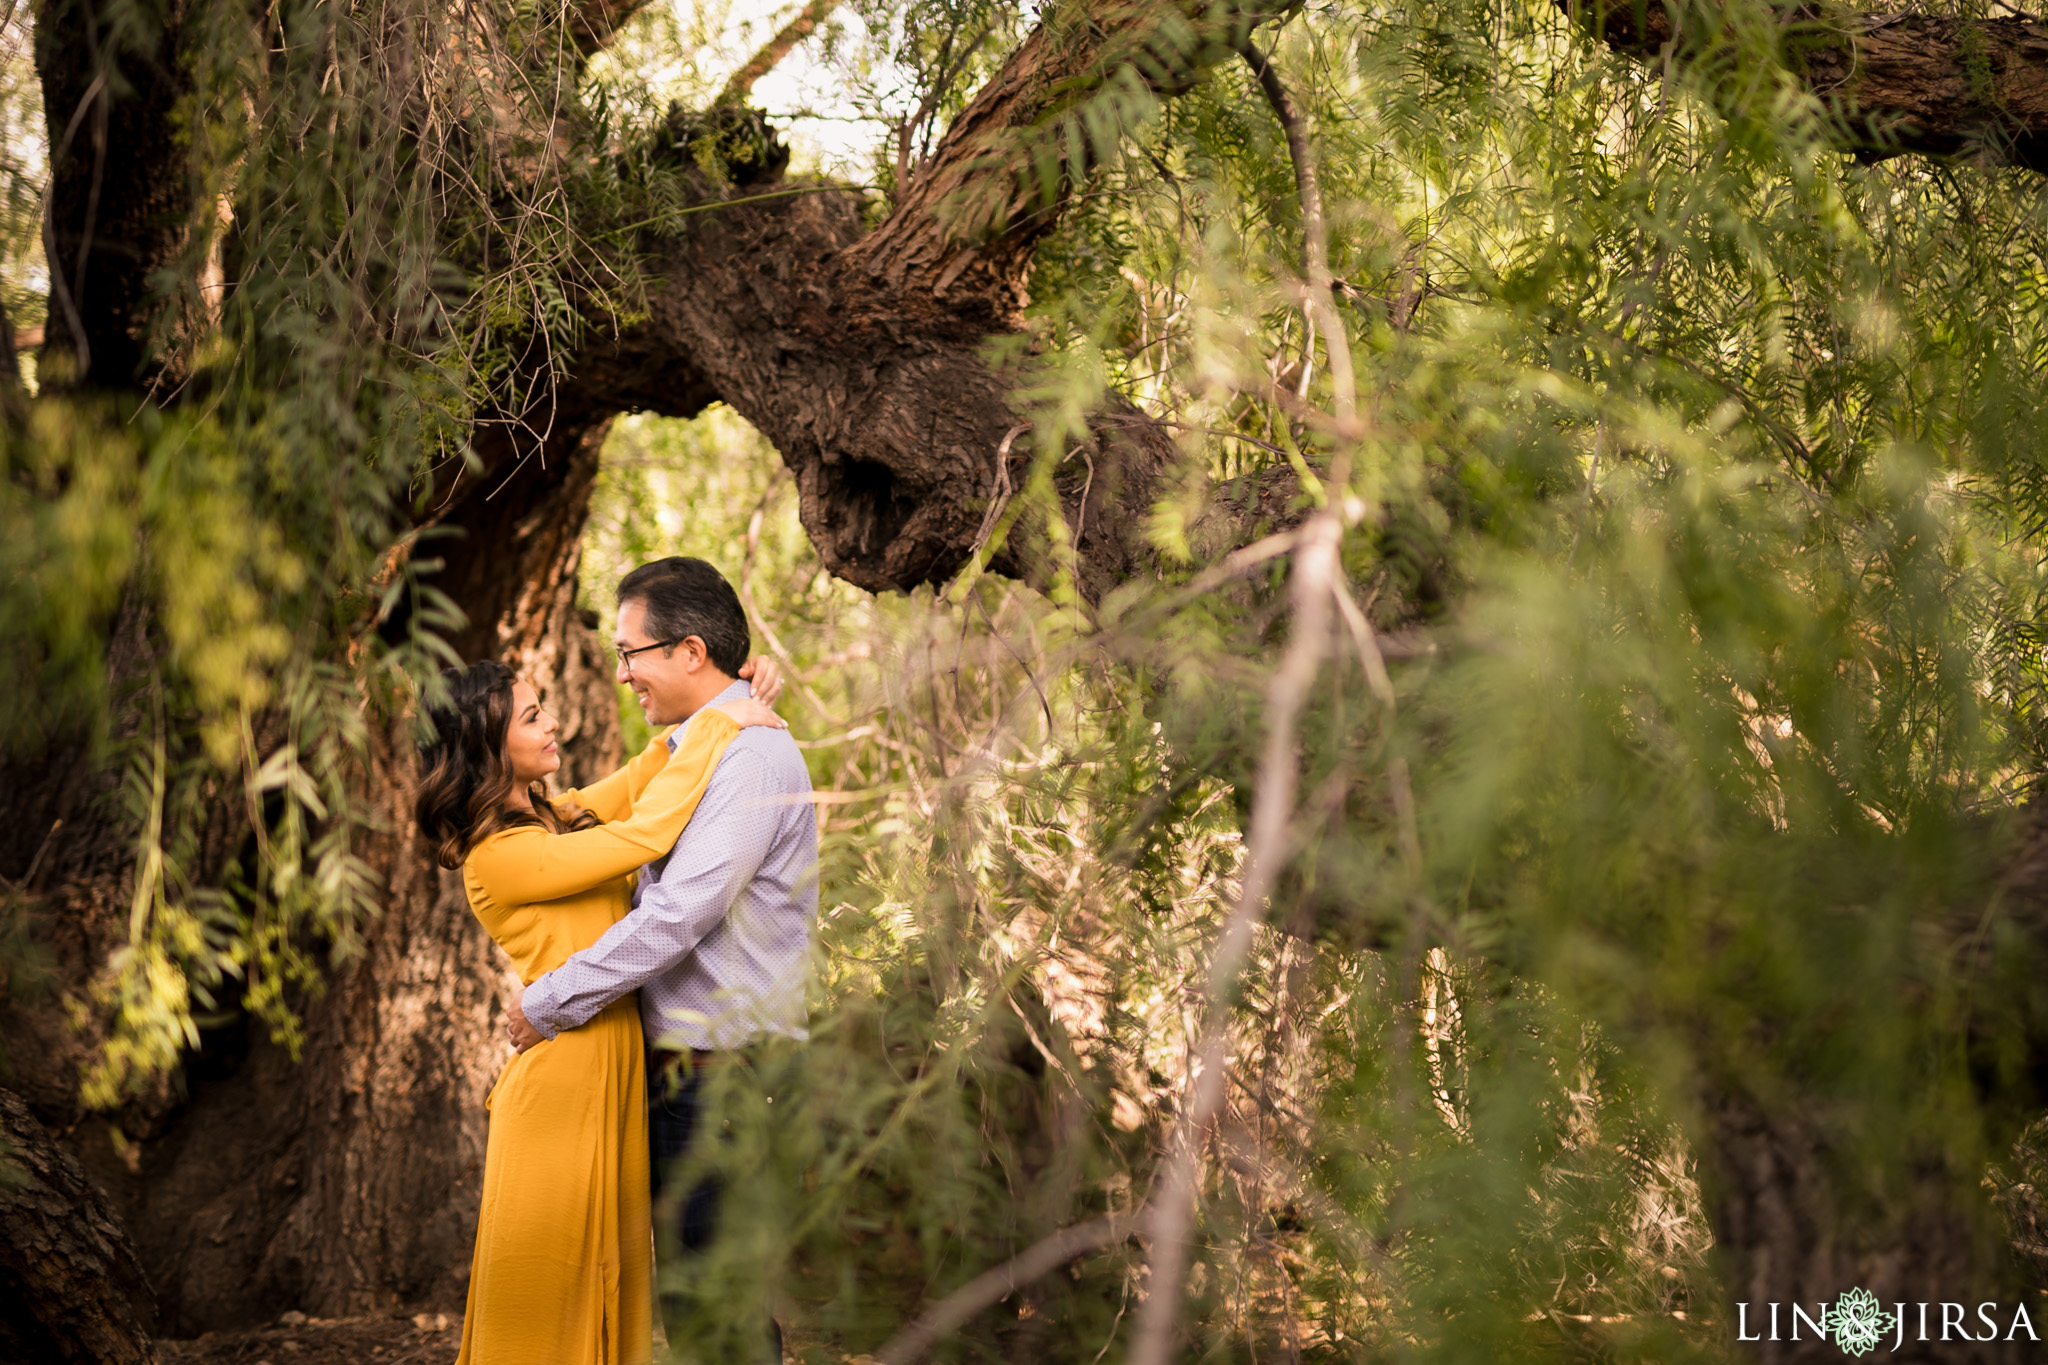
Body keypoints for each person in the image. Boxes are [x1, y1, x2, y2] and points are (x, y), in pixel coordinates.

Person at [414, 657, 786, 1365]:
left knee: (606, 1286)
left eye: (542, 707)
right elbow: (644, 834)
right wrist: (718, 725)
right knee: (545, 1297)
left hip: (612, 1078)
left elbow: (644, 774)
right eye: (530, 716)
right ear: (486, 747)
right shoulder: (496, 856)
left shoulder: (556, 817)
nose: (552, 721)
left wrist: (731, 696)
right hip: (559, 1094)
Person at [506, 556, 817, 1357]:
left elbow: (680, 913)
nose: (621, 674)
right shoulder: (703, 748)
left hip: (721, 1074)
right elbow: (594, 825)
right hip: (685, 1071)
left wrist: (548, 1000)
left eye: (629, 653)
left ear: (687, 651)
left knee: (716, 1311)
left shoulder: (749, 758)